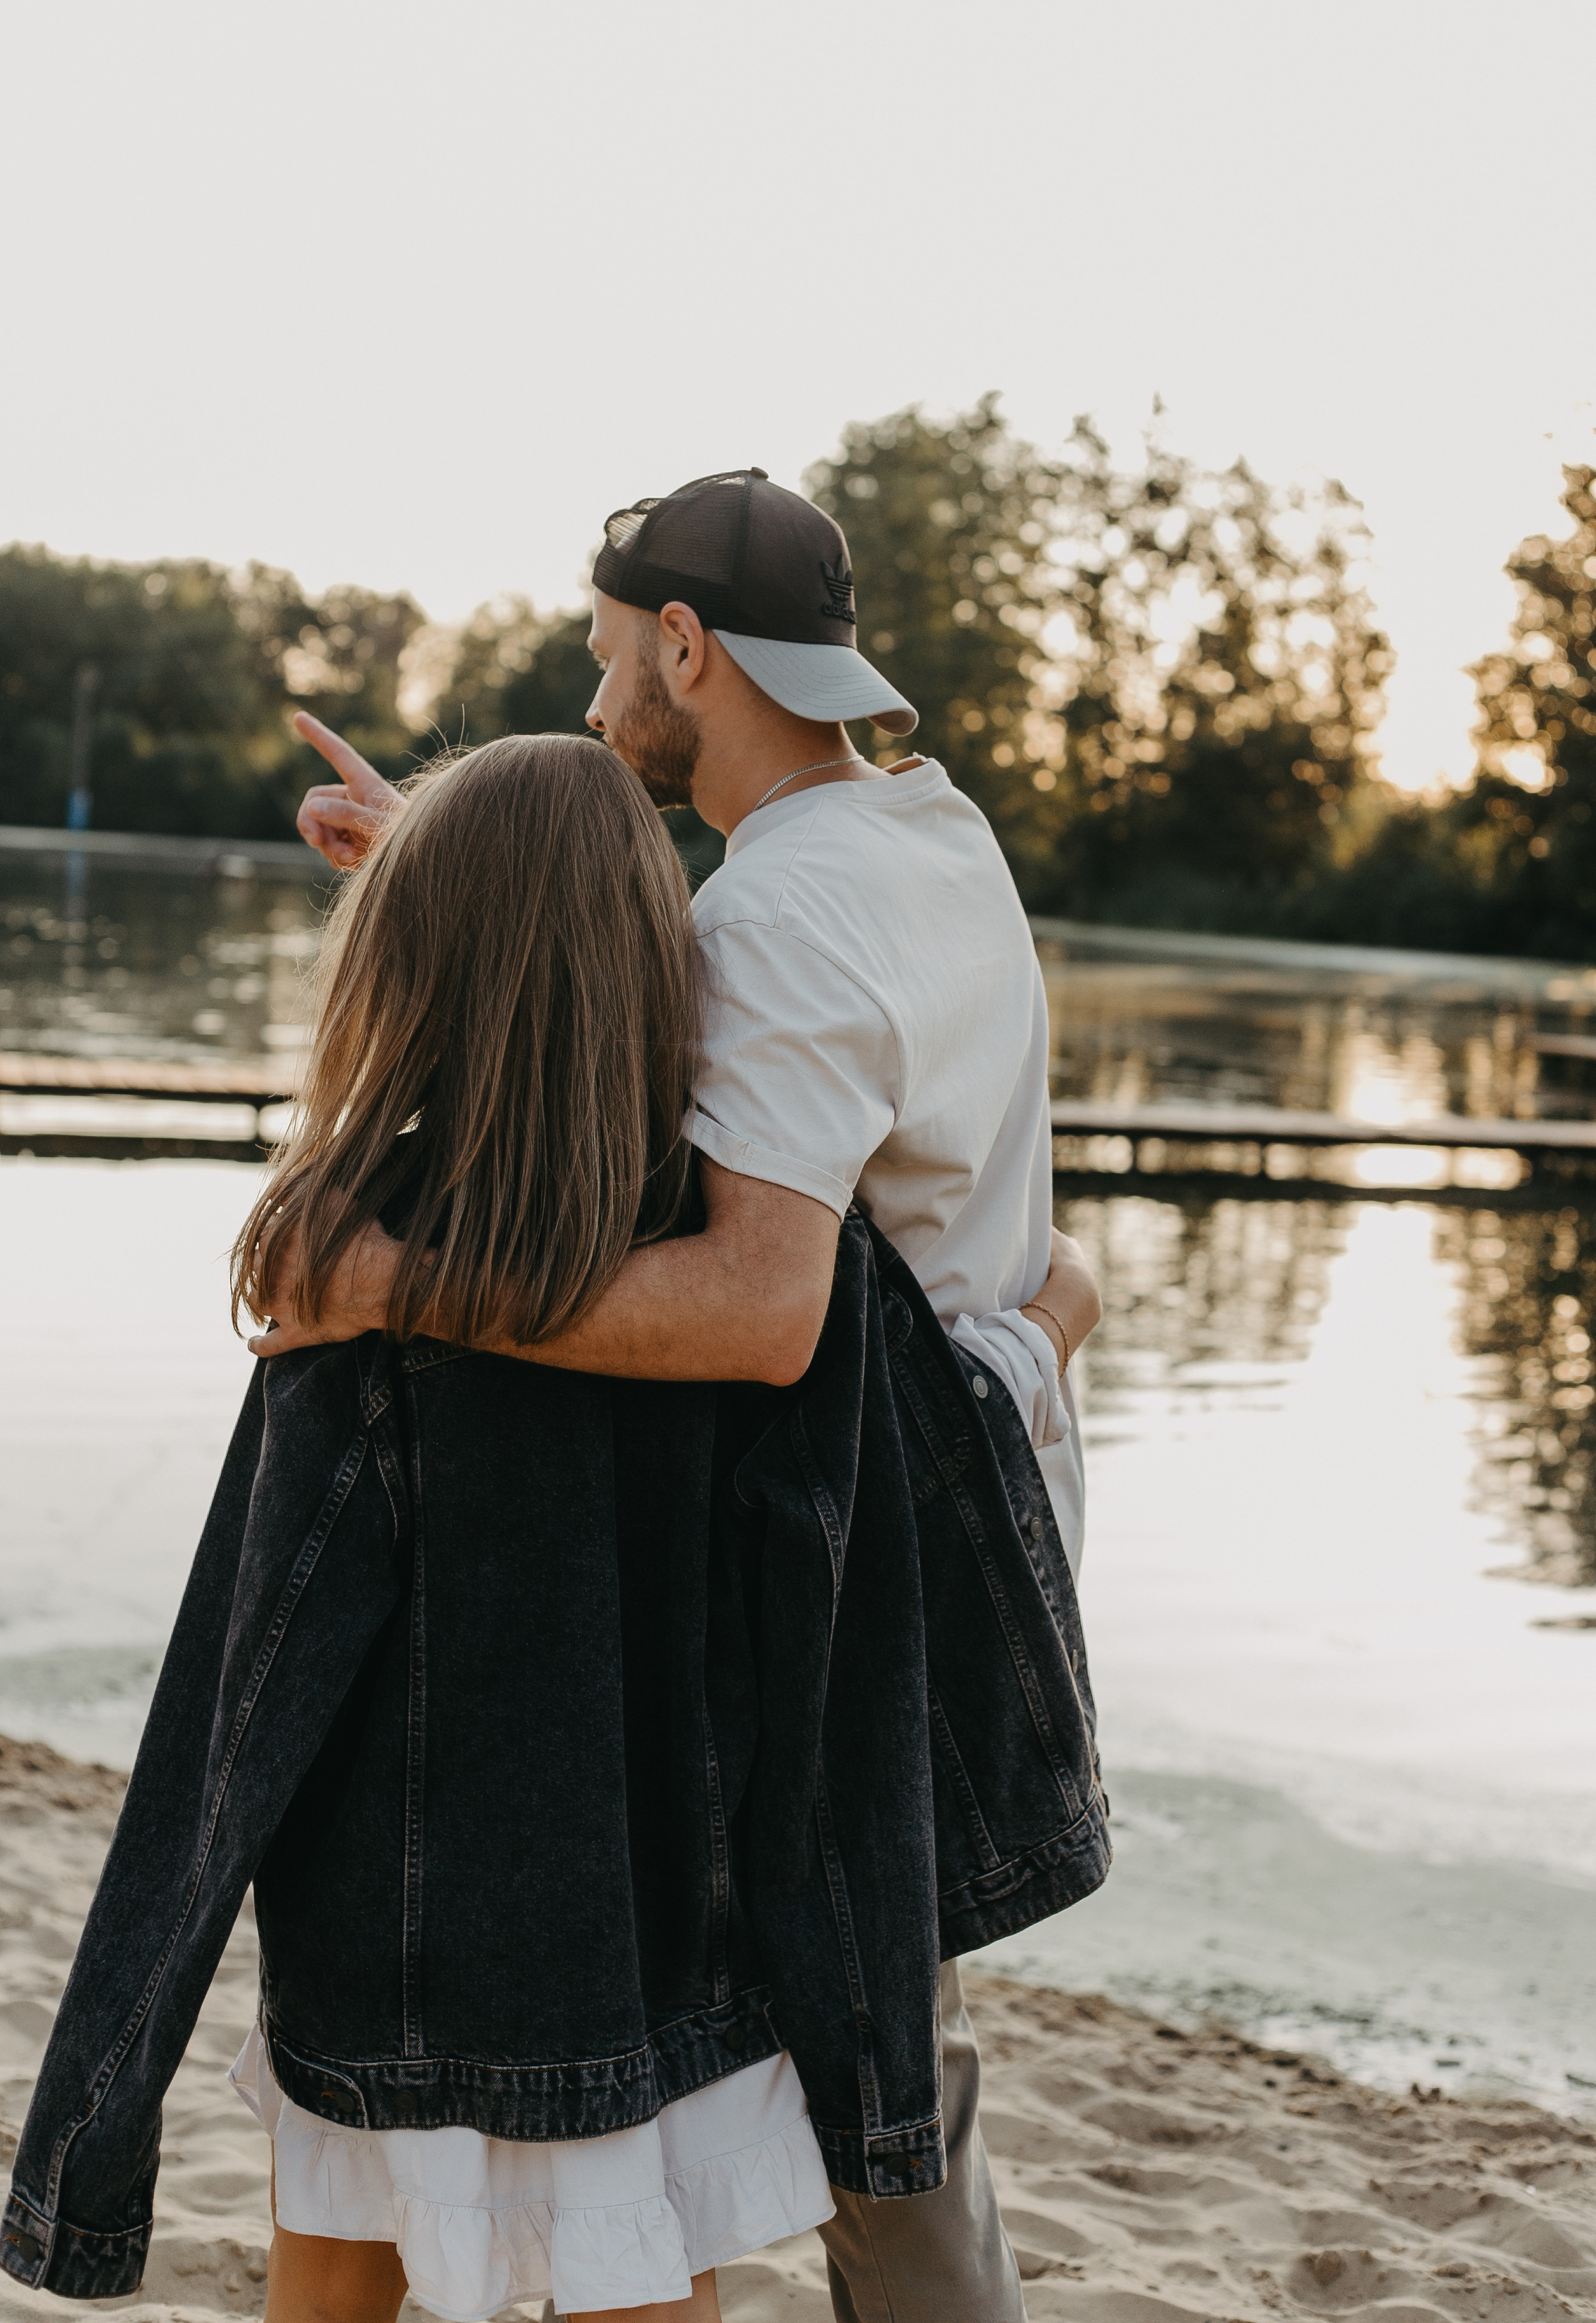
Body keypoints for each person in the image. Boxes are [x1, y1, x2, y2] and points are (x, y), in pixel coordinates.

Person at [261, 467, 1105, 2323]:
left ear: (686, 645)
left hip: (860, 1569)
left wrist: (388, 1283)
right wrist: (448, 861)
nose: (590, 703)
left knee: (839, 2081)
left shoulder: (773, 925)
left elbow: (752, 1312)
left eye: (598, 662)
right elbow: (661, 1019)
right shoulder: (926, 829)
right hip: (983, 1497)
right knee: (894, 2072)